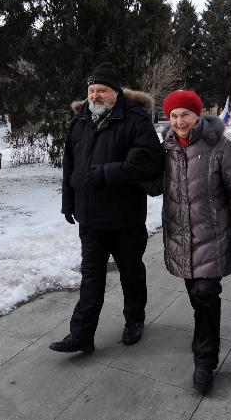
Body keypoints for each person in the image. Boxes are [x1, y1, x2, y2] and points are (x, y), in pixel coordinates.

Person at [52, 63, 163, 354]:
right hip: (90, 218)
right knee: (91, 277)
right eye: (91, 90)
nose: (96, 95)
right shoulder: (80, 121)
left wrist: (106, 173)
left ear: (116, 92)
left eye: (102, 90)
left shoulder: (136, 120)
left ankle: (134, 319)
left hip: (125, 217)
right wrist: (68, 201)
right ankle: (82, 335)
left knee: (131, 273)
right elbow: (69, 166)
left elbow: (150, 162)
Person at [157, 90, 231, 394]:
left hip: (212, 236)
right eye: (173, 116)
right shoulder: (166, 149)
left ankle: (205, 360)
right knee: (196, 294)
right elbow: (152, 186)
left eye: (185, 114)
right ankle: (205, 337)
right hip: (180, 236)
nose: (179, 121)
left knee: (205, 292)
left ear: (197, 115)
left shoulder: (219, 147)